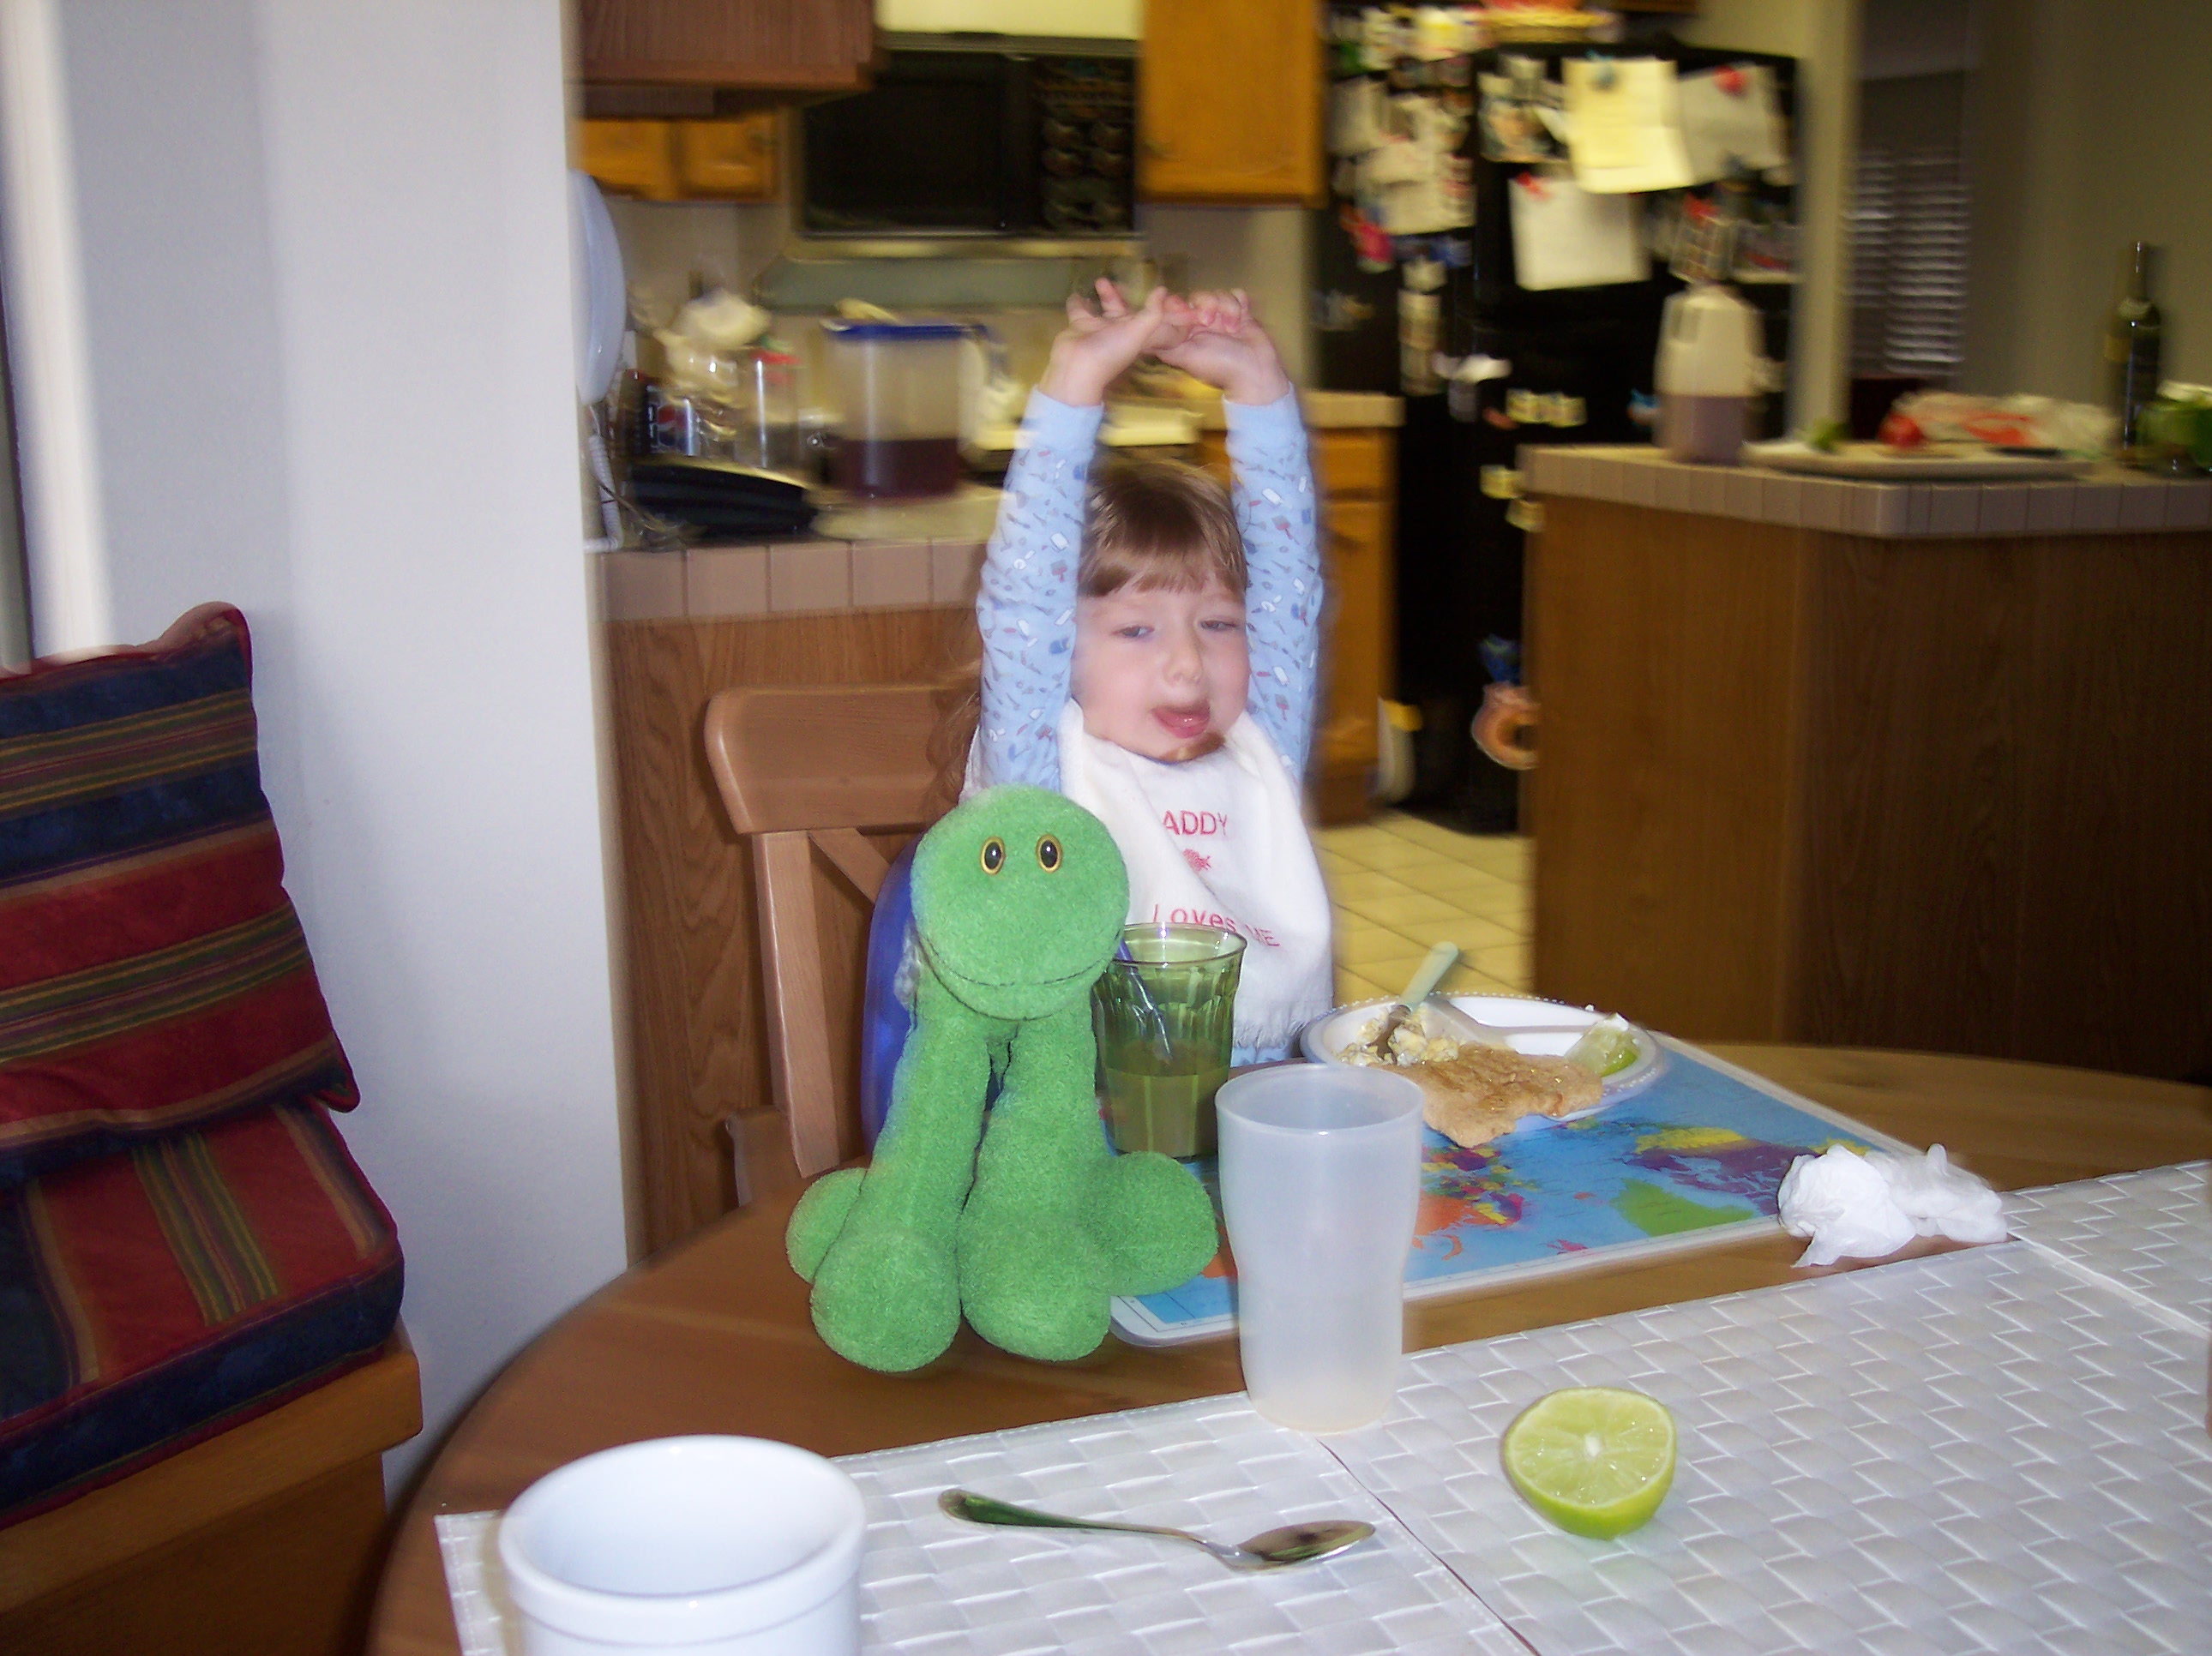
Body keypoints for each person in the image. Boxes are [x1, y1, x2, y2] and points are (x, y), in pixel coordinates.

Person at [859, 281, 1332, 1137]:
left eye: (1219, 624)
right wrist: (1074, 385)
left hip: (1254, 1139)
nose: (1187, 663)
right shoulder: (1045, 776)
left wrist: (1259, 388)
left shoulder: (1259, 747)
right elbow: (1024, 598)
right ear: (1060, 654)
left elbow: (1289, 585)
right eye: (1136, 630)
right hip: (1075, 1155)